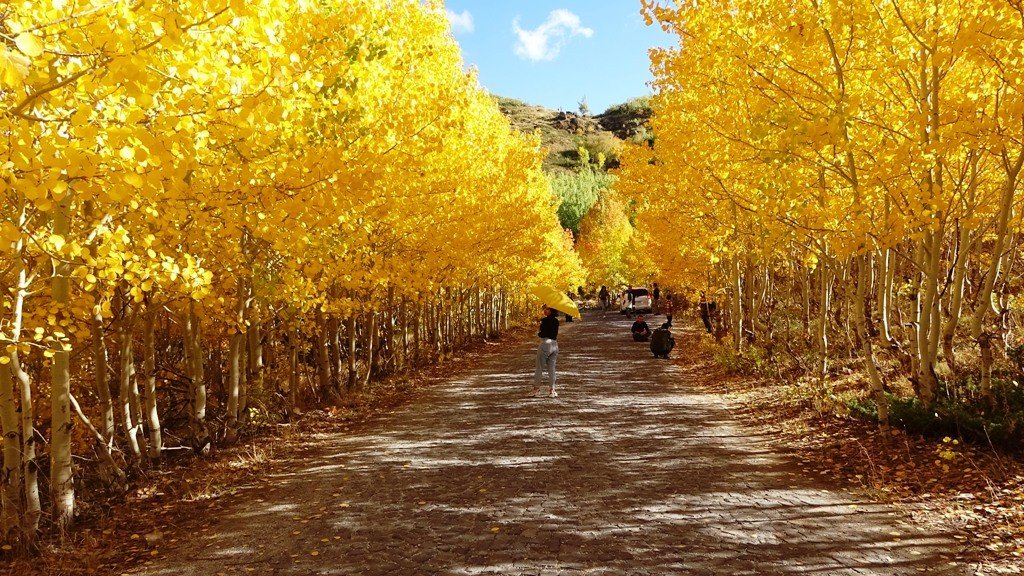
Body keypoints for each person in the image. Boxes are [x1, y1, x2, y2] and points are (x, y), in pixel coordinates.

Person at [531, 305, 560, 397]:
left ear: (551, 310)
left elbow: (542, 334)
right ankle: (552, 390)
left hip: (545, 344)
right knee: (551, 368)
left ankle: (536, 390)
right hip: (554, 344)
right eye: (545, 308)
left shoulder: (545, 320)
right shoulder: (556, 321)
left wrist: (539, 332)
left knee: (539, 367)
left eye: (547, 309)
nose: (545, 310)